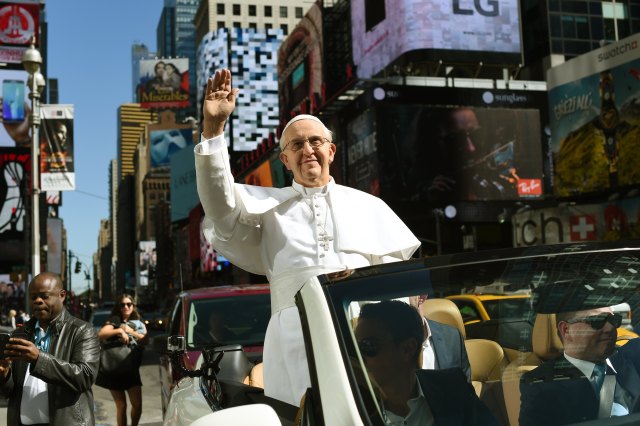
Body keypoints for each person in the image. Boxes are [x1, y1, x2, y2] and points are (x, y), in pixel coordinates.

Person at [195, 68, 420, 406]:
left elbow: (398, 290)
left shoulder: (369, 206)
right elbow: (219, 205)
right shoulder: (267, 210)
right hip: (296, 341)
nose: (308, 150)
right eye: (297, 145)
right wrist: (213, 130)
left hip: (367, 339)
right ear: (285, 159)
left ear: (330, 150)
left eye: (315, 141)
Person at [355, 300, 497, 425]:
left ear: (407, 349)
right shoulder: (352, 403)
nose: (358, 355)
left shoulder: (452, 388)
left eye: (368, 345)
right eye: (354, 346)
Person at [0, 272, 100, 425]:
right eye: (33, 297)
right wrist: (4, 375)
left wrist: (38, 359)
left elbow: (85, 377)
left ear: (62, 295)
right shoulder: (20, 334)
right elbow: (9, 392)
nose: (38, 301)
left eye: (44, 296)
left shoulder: (82, 331)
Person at [519, 306, 639, 425]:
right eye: (597, 321)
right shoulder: (541, 383)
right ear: (566, 330)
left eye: (614, 320)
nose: (610, 328)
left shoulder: (633, 355)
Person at [96, 293, 147, 426]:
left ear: (133, 306)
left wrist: (129, 331)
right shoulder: (115, 319)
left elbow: (145, 339)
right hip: (114, 367)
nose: (125, 307)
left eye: (128, 304)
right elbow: (101, 334)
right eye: (122, 304)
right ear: (118, 307)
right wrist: (120, 331)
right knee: (121, 406)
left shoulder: (139, 322)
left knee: (137, 405)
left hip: (131, 369)